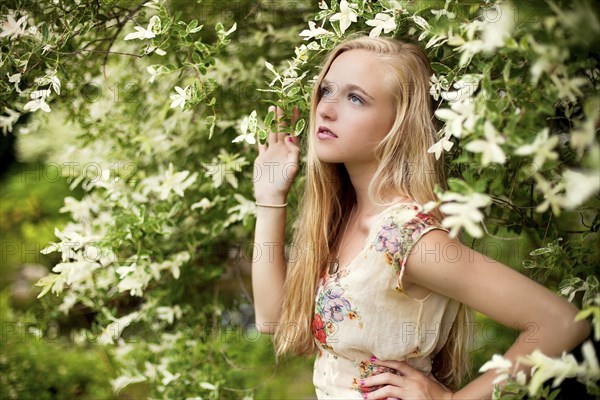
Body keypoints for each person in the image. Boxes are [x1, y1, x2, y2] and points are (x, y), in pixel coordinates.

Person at [251, 35, 591, 399]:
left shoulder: (405, 237)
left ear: (400, 122)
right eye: (326, 90)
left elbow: (558, 323)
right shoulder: (343, 217)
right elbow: (273, 318)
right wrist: (269, 197)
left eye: (355, 98)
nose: (326, 109)